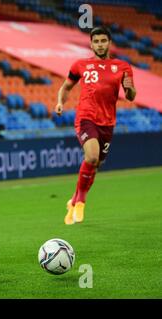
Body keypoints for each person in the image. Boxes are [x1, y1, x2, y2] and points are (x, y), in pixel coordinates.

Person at [55, 26, 136, 225]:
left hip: (107, 122)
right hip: (86, 117)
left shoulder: (123, 67)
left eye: (103, 41)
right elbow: (66, 86)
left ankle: (72, 201)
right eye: (96, 41)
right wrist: (60, 102)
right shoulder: (81, 65)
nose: (99, 44)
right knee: (91, 156)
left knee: (96, 164)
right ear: (91, 44)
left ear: (109, 42)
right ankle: (81, 201)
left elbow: (131, 96)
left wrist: (129, 88)